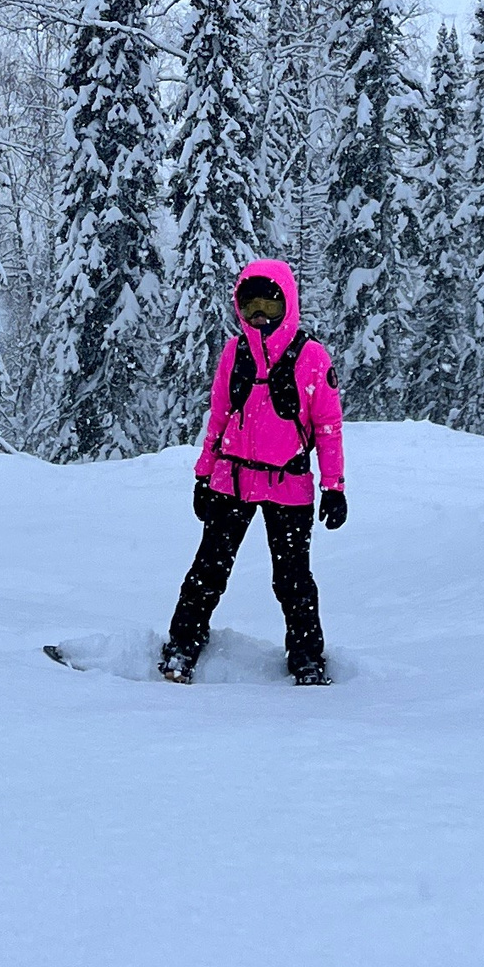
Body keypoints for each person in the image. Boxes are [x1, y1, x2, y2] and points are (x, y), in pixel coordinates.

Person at [161, 257, 347, 685]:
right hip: (233, 480)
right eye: (250, 306)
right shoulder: (235, 353)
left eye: (270, 304)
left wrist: (334, 486)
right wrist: (203, 474)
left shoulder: (312, 357)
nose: (259, 315)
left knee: (292, 578)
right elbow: (219, 416)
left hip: (290, 483)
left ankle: (305, 656)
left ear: (289, 305)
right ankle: (182, 644)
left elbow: (329, 428)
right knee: (209, 568)